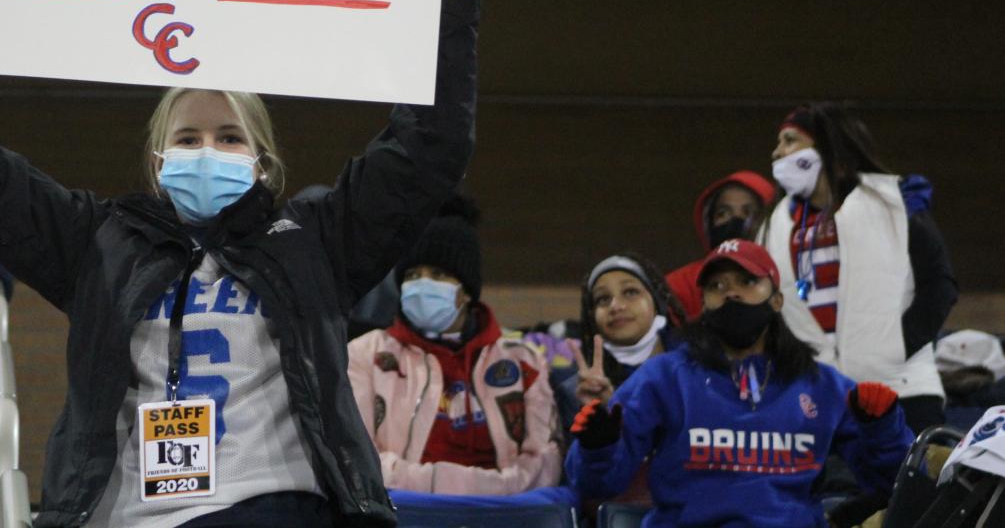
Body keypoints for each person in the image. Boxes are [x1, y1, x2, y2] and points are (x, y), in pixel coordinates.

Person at [0, 0, 481, 528]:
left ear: (263, 163)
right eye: (188, 136)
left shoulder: (315, 241)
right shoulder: (100, 241)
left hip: (275, 507)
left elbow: (429, 148)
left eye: (229, 136)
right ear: (157, 162)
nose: (207, 148)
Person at [566, 239, 914, 527]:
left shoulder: (822, 385)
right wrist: (597, 448)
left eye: (746, 281)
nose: (730, 293)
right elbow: (596, 483)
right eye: (716, 286)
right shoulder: (664, 377)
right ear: (703, 303)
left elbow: (894, 484)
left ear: (776, 299)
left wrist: (883, 430)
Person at [761, 102, 958, 434]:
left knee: (912, 485)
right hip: (820, 395)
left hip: (903, 386)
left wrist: (894, 348)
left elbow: (940, 284)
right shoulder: (772, 225)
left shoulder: (897, 202)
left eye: (790, 140)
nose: (777, 152)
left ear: (829, 146)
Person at [346, 202, 561, 496]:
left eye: (437, 274)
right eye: (412, 275)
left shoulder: (524, 362)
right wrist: (492, 487)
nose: (422, 284)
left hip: (504, 520)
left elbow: (544, 468)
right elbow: (358, 462)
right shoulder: (363, 354)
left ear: (467, 290)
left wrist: (432, 484)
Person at [572, 253, 686, 409]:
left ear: (656, 300)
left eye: (630, 292)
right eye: (603, 299)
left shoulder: (697, 365)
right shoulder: (579, 389)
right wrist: (604, 410)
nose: (616, 306)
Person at [666, 171, 778, 320]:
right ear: (708, 223)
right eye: (723, 213)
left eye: (749, 212)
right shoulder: (680, 284)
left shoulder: (794, 272)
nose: (735, 220)